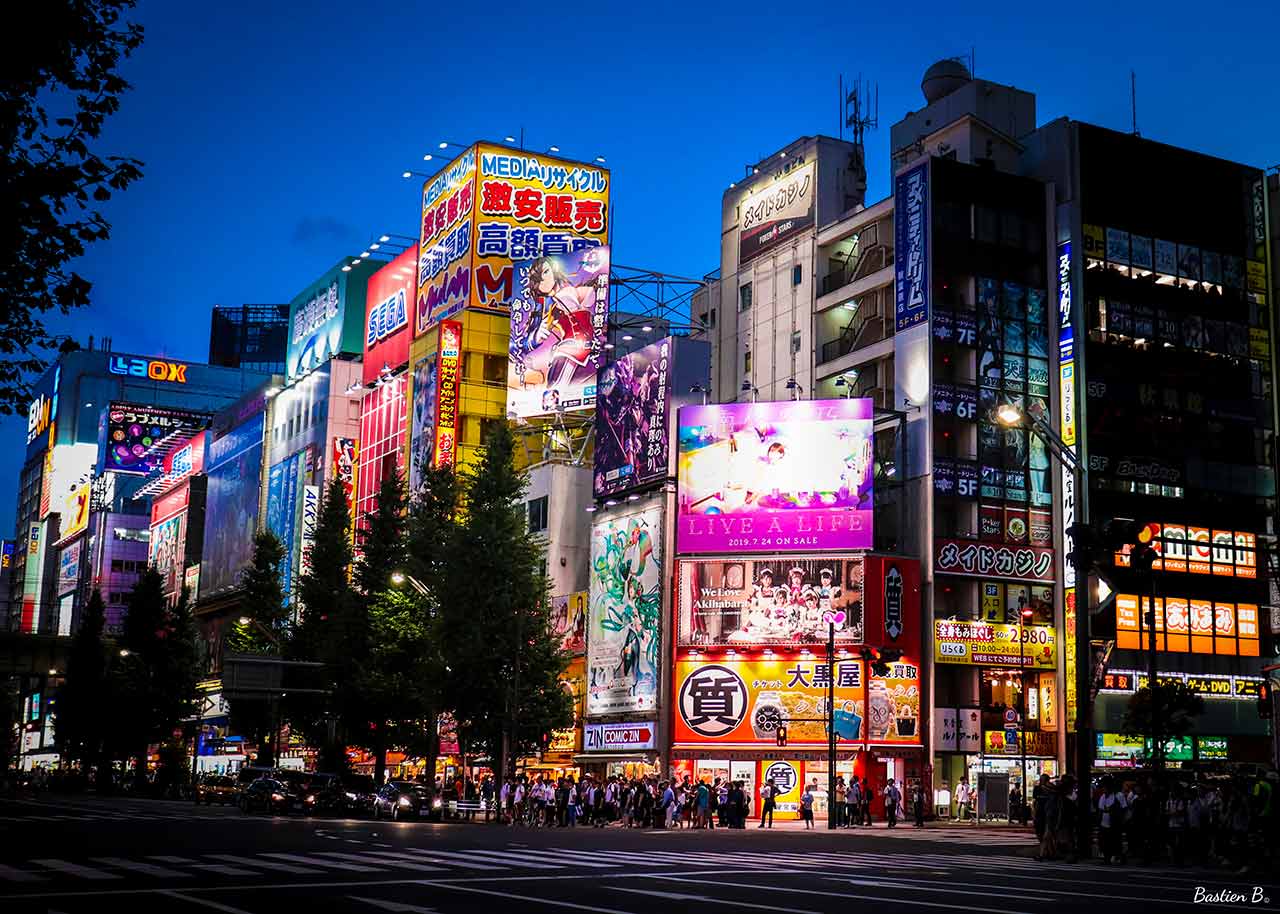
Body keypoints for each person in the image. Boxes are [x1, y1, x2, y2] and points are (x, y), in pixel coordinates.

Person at [1096, 777, 1127, 864]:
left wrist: (1122, 820)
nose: (1103, 789)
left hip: (1115, 823)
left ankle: (1119, 856)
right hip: (1104, 823)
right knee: (1105, 842)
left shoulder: (1118, 795)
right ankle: (1107, 858)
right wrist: (1099, 823)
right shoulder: (1103, 797)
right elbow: (1100, 811)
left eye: (1104, 787)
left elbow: (1124, 808)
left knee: (1116, 841)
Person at [1032, 774, 1052, 842]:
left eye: (1045, 780)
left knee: (1046, 824)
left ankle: (1044, 838)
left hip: (1048, 808)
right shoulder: (1037, 788)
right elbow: (1035, 798)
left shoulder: (1050, 788)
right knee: (1039, 824)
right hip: (1040, 808)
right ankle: (1040, 837)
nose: (1043, 781)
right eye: (1042, 779)